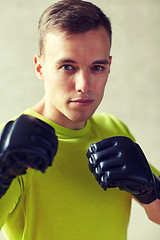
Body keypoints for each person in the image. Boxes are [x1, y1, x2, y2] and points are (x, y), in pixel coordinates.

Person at [0, 0, 160, 239]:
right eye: (67, 67)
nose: (84, 86)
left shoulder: (114, 129)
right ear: (40, 67)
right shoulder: (16, 144)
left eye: (96, 67)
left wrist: (151, 189)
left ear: (109, 67)